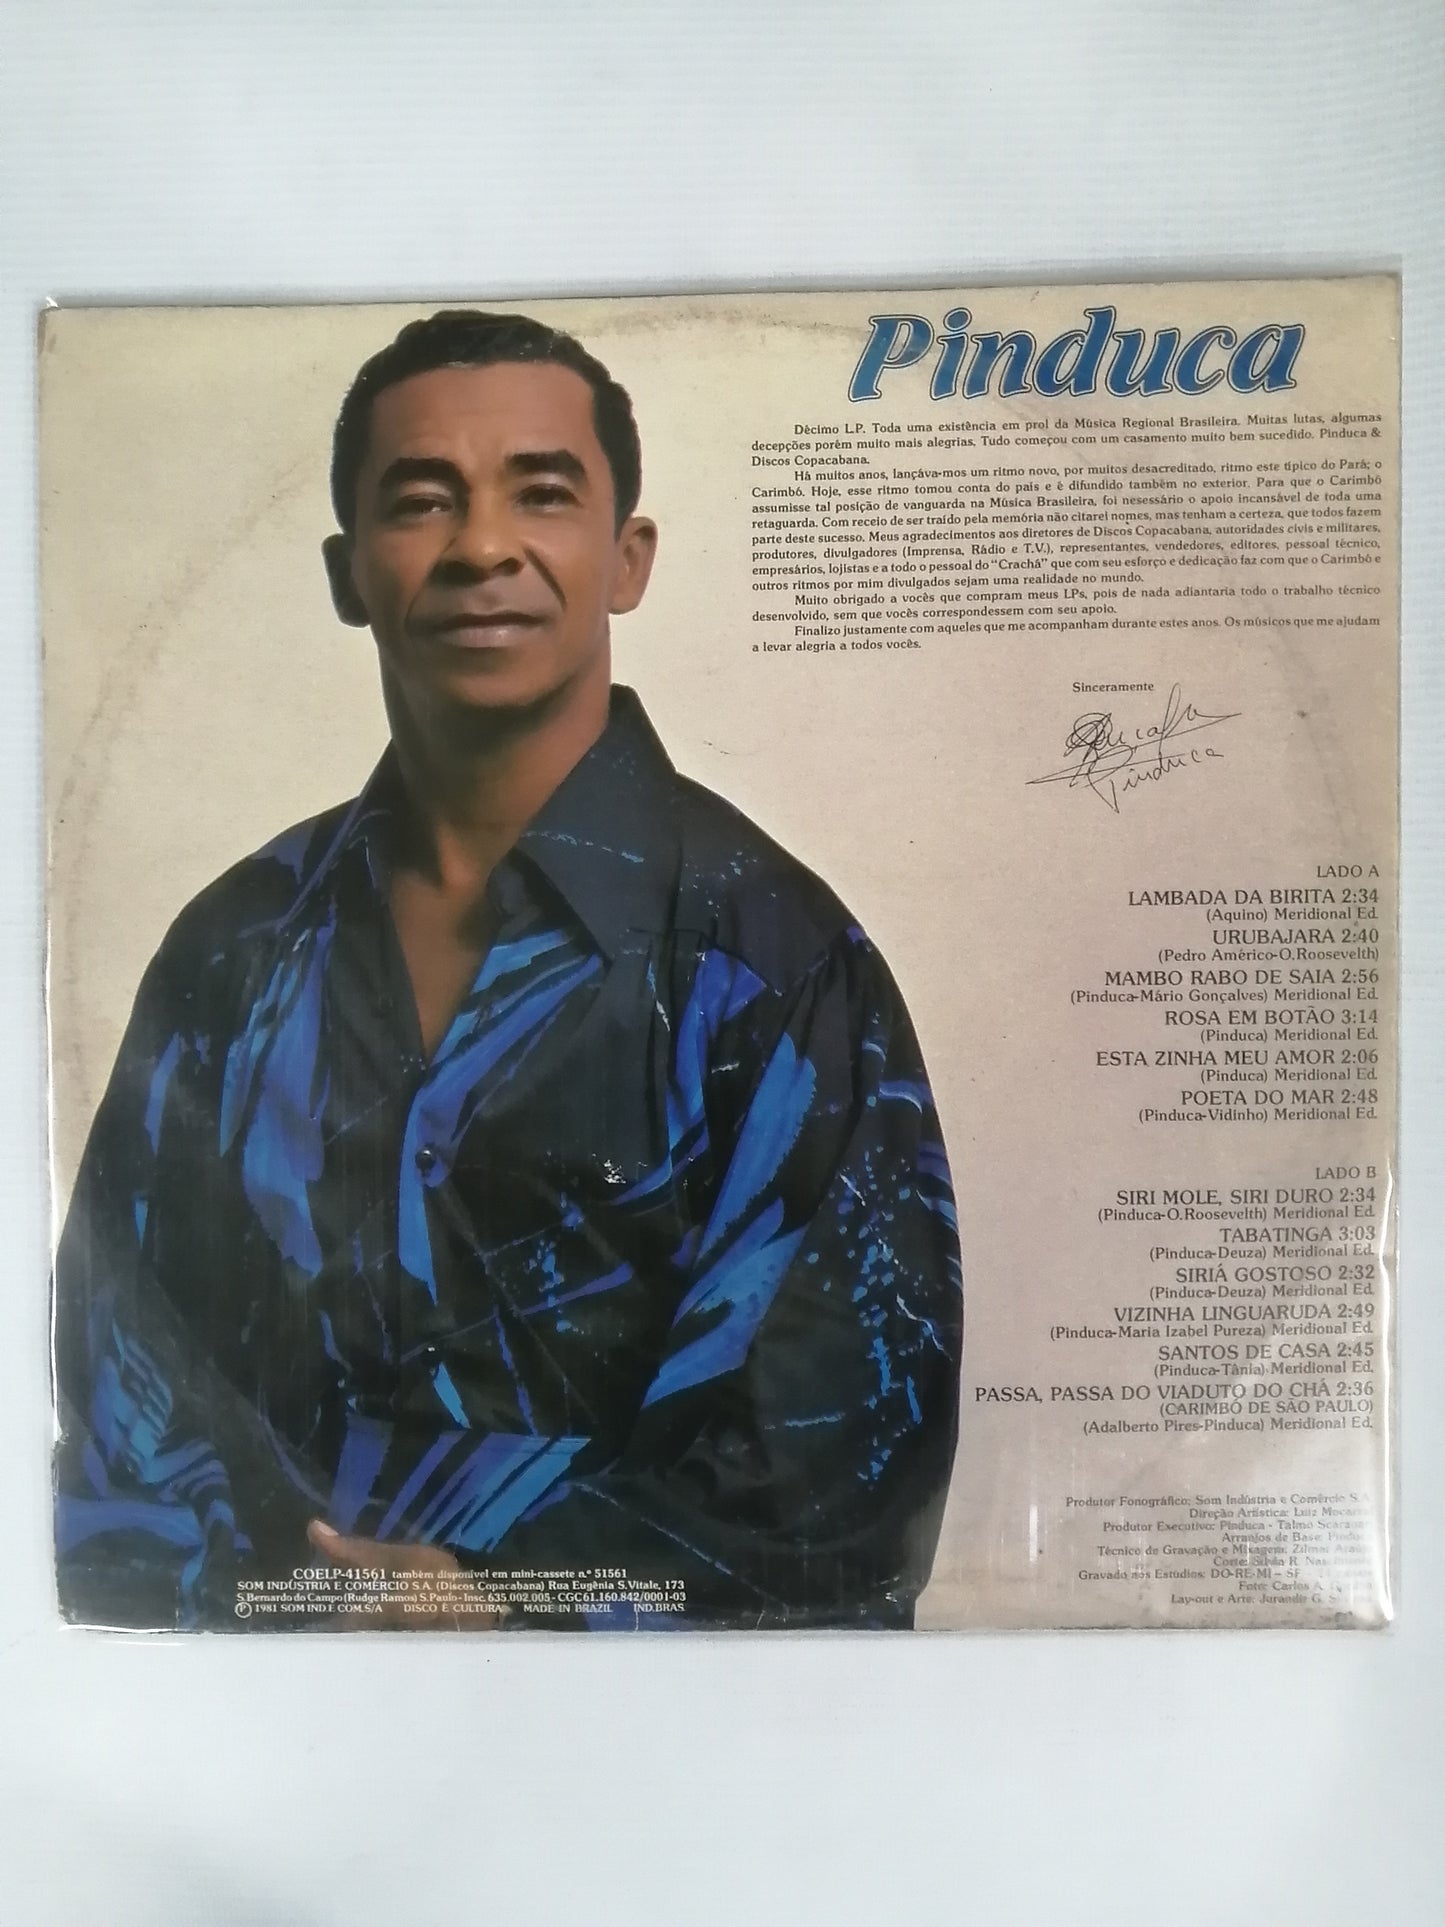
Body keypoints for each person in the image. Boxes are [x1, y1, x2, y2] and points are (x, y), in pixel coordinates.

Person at [53, 309, 962, 1631]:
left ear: (627, 559)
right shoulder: (232, 950)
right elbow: (117, 1368)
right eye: (422, 500)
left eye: (541, 493)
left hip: (631, 1733)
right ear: (347, 573)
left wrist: (508, 1604)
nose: (483, 546)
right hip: (259, 1708)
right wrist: (278, 1628)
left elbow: (841, 1454)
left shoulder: (776, 963)